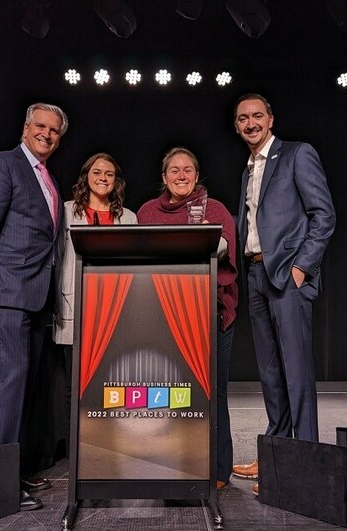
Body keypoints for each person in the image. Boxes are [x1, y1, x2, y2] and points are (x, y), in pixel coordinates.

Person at [0, 102, 69, 511]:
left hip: (37, 297)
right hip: (7, 295)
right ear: (25, 127)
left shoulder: (46, 177)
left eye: (54, 130)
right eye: (40, 126)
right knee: (9, 382)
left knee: (25, 387)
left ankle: (15, 468)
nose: (46, 134)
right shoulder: (2, 164)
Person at [231, 93, 336, 495]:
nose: (251, 123)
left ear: (271, 119)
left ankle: (305, 462)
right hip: (256, 275)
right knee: (271, 375)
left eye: (258, 115)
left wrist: (300, 269)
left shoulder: (296, 154)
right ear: (237, 125)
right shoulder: (248, 168)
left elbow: (323, 216)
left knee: (296, 373)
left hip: (287, 277)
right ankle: (276, 455)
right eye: (243, 118)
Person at [137, 147, 238, 489]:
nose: (182, 176)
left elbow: (223, 250)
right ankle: (168, 463)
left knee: (213, 392)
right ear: (163, 178)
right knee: (168, 393)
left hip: (210, 313)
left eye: (188, 170)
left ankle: (220, 469)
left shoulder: (215, 209)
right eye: (174, 171)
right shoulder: (148, 212)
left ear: (197, 176)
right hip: (162, 314)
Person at [53, 153, 137, 449]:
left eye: (109, 174)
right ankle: (75, 446)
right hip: (74, 305)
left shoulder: (129, 217)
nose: (103, 178)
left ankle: (107, 443)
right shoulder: (64, 212)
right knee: (73, 382)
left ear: (116, 181)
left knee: (110, 381)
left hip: (113, 311)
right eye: (97, 172)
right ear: (86, 175)